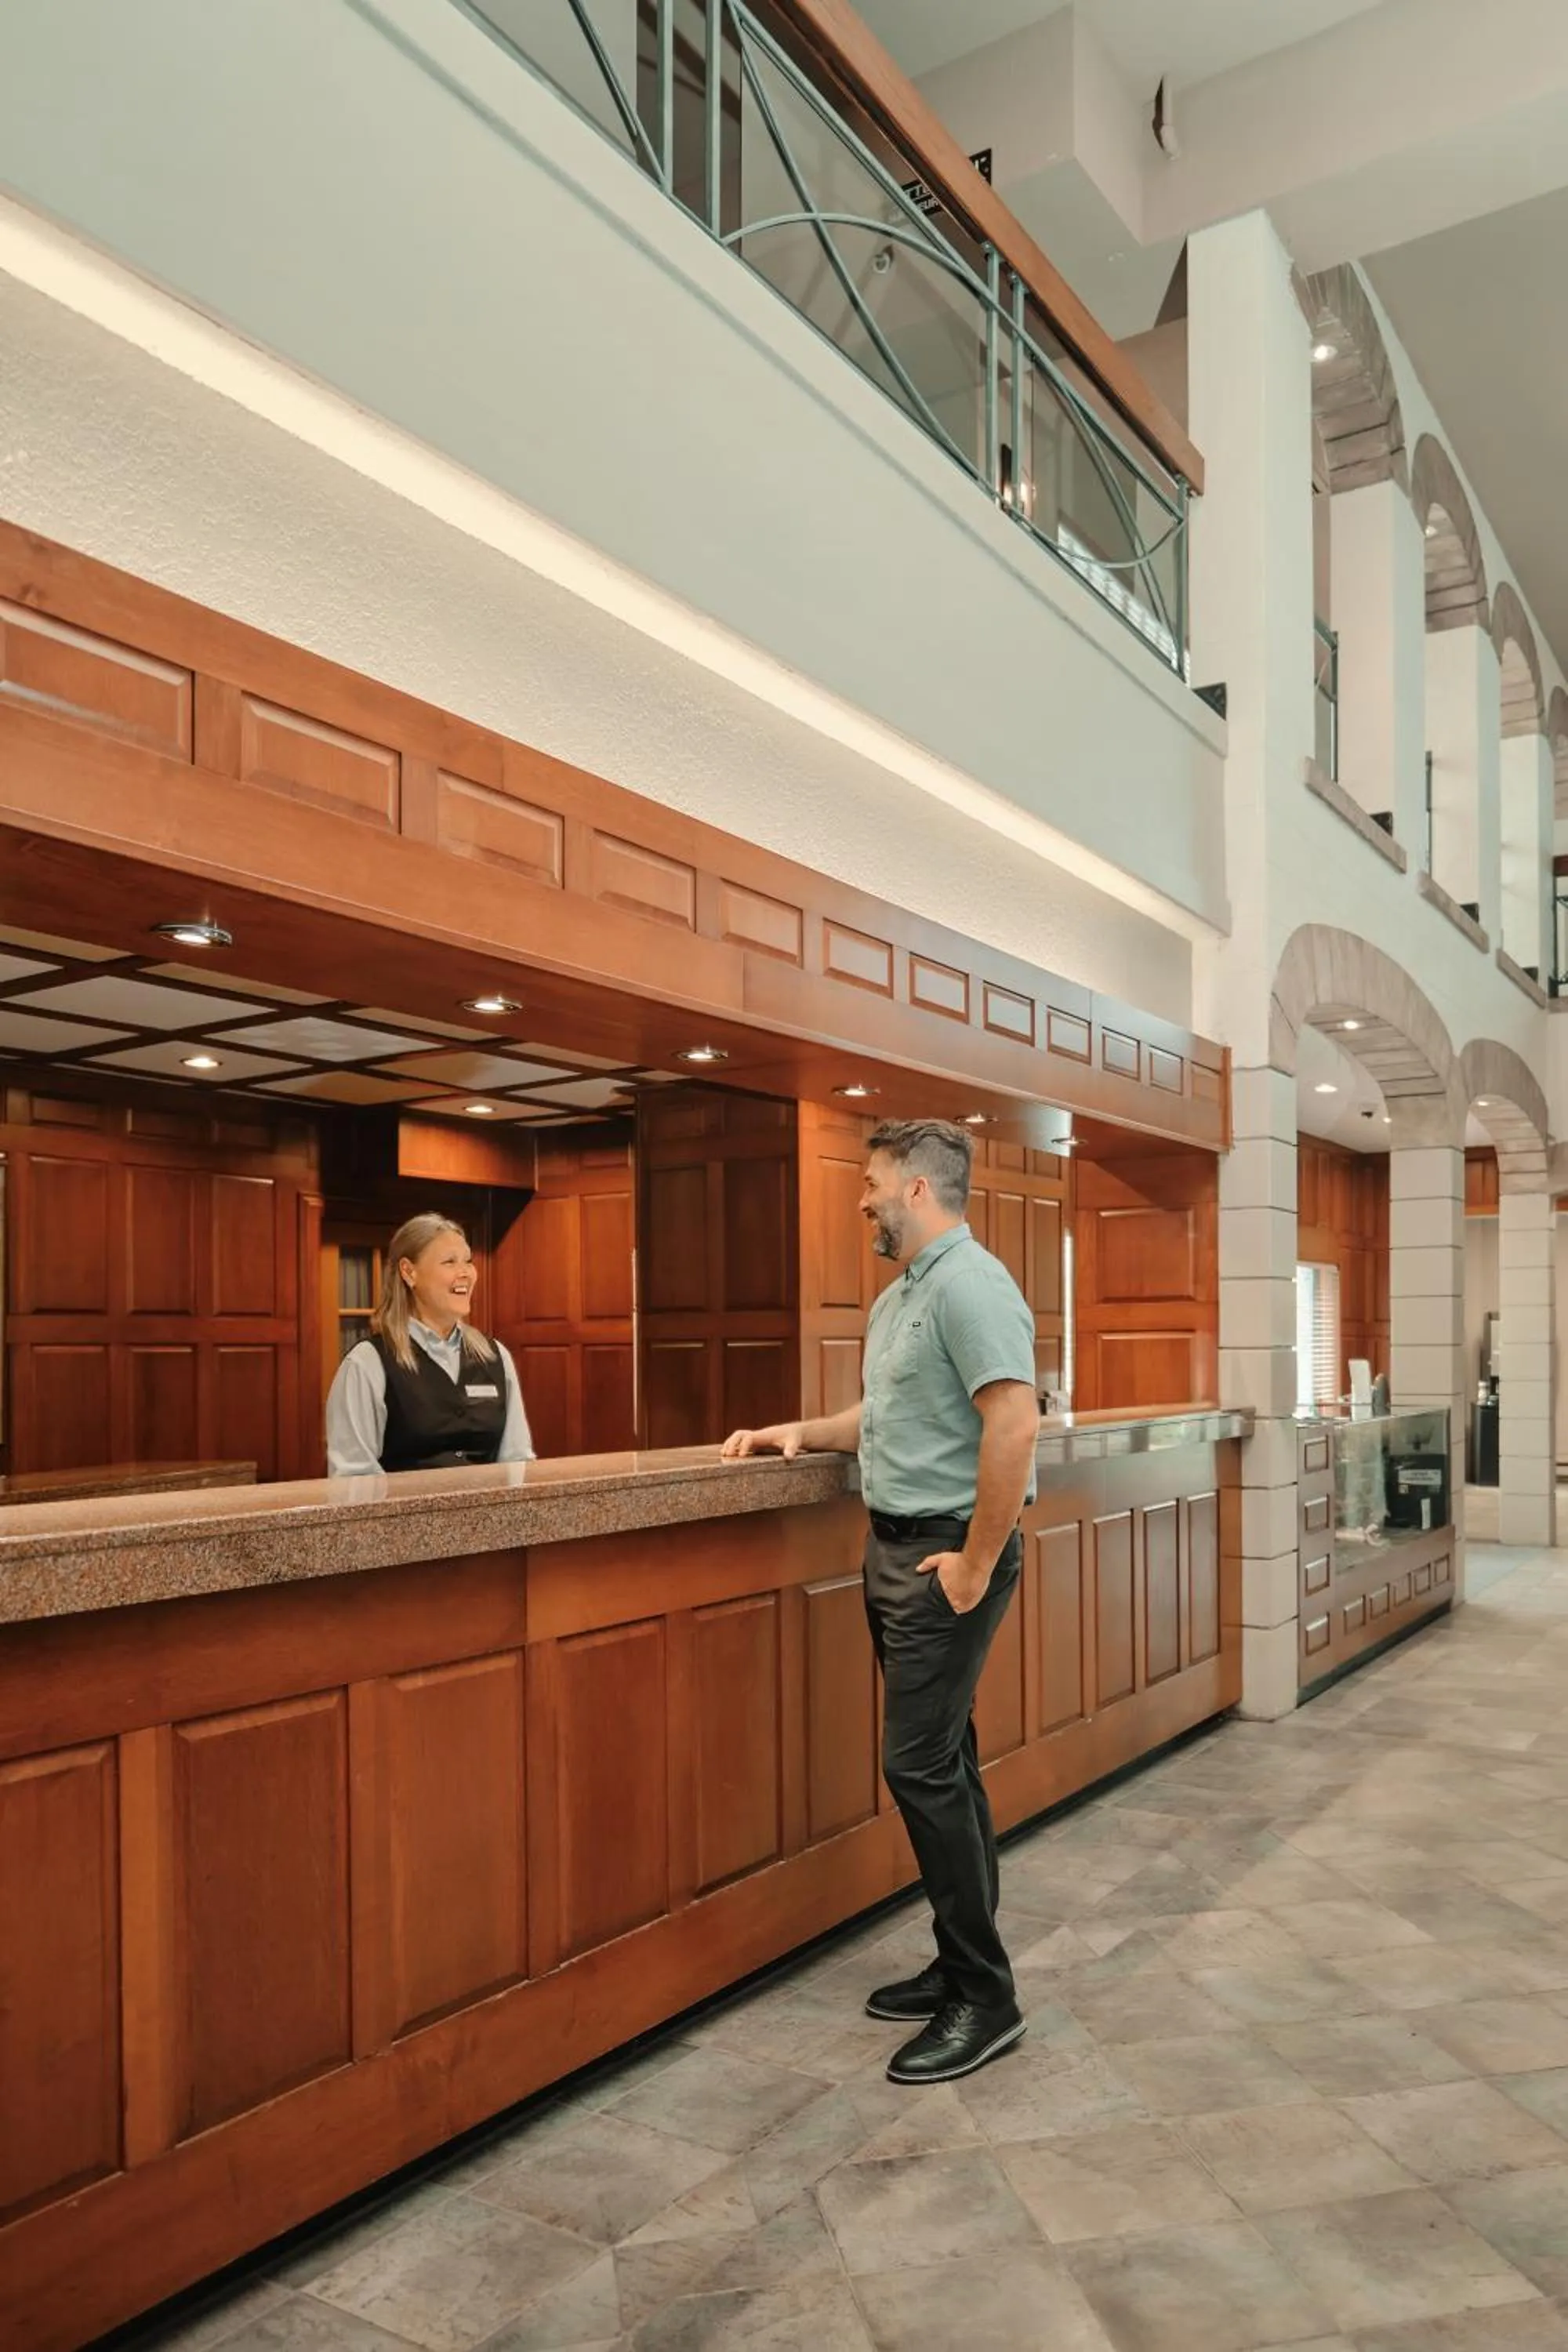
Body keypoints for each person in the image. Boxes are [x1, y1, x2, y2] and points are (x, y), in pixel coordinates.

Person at [723, 1118, 1039, 2085]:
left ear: (913, 1188)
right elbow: (889, 1413)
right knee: (944, 1763)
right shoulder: (907, 1295)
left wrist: (975, 1566)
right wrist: (802, 1432)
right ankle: (958, 1963)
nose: (858, 1198)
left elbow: (1013, 1423)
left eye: (868, 1183)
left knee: (918, 1771)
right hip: (894, 1552)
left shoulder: (974, 1284)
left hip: (941, 1562)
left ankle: (985, 1999)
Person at [326, 1212, 535, 1476]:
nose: (466, 1273)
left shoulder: (496, 1357)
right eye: (450, 1262)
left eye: (468, 1261)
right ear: (409, 1272)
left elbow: (518, 1461)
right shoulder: (367, 1363)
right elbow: (354, 1479)